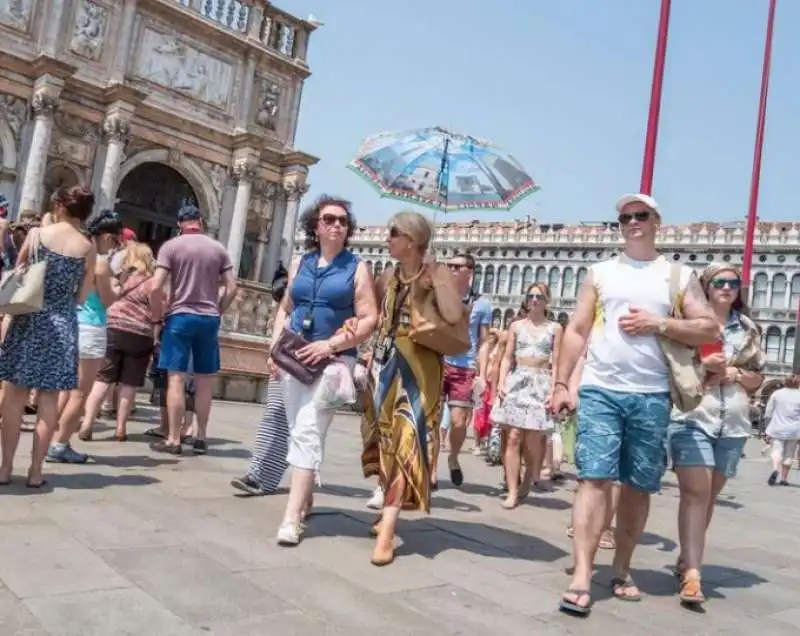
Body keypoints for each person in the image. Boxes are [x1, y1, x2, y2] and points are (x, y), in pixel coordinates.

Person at [550, 193, 718, 615]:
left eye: (641, 215)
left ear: (657, 221)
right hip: (601, 389)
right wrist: (560, 383)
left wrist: (659, 323)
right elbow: (577, 328)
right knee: (593, 478)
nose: (632, 222)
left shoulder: (678, 275)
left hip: (652, 395)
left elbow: (707, 326)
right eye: (624, 217)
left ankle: (621, 569)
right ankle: (583, 573)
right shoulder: (601, 272)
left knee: (639, 486)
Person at [271, 195, 377, 547]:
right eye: (329, 219)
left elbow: (369, 319)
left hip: (331, 363)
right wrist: (274, 347)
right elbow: (286, 308)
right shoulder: (301, 263)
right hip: (293, 358)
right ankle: (307, 497)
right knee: (296, 428)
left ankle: (290, 519)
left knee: (307, 431)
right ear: (315, 226)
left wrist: (330, 344)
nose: (336, 225)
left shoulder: (356, 268)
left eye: (343, 221)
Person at [361, 210, 463, 566]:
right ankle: (389, 509)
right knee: (388, 442)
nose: (387, 238)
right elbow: (378, 322)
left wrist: (436, 278)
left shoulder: (437, 274)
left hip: (421, 370)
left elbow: (452, 316)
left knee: (408, 440)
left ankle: (388, 530)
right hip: (388, 367)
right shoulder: (387, 275)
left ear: (413, 240)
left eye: (394, 232)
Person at [667, 263, 764, 605]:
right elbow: (674, 365)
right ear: (706, 288)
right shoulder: (691, 325)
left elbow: (757, 379)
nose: (726, 288)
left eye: (733, 283)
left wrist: (734, 372)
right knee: (696, 492)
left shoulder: (749, 329)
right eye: (719, 282)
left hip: (734, 424)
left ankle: (686, 558)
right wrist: (703, 367)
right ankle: (693, 574)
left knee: (707, 497)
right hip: (693, 415)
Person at [0, 186, 96, 488]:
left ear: (60, 206)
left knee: (14, 396)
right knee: (49, 399)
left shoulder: (37, 235)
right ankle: (36, 472)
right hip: (63, 324)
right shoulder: (87, 246)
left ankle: (4, 469)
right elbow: (81, 296)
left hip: (29, 319)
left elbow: (19, 274)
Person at [150, 204, 238, 455]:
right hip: (208, 318)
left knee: (176, 378)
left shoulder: (171, 247)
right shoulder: (218, 248)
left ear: (179, 224)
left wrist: (158, 315)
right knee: (204, 382)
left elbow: (155, 286)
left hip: (179, 316)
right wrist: (218, 309)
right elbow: (232, 287)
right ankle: (201, 437)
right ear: (200, 221)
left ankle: (174, 439)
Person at [48, 210, 121, 463]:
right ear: (108, 237)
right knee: (80, 393)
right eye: (115, 241)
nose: (114, 247)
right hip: (91, 327)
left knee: (63, 391)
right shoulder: (99, 262)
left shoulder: (77, 250)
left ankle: (47, 440)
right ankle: (60, 444)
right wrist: (119, 287)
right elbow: (108, 299)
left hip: (70, 323)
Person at [79, 242, 165, 441]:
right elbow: (155, 311)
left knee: (102, 379)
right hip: (139, 334)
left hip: (113, 328)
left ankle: (88, 422)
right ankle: (120, 429)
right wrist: (156, 324)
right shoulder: (152, 283)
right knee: (129, 383)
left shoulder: (120, 278)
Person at [495, 282, 562, 509]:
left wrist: (554, 389)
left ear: (547, 301)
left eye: (539, 297)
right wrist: (501, 382)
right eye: (530, 296)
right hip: (517, 381)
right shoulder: (516, 326)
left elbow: (557, 362)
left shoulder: (555, 328)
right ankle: (512, 490)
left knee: (533, 441)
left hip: (540, 382)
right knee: (513, 437)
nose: (534, 300)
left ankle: (526, 480)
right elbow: (507, 357)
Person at [441, 251, 491, 487]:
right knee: (430, 419)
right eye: (449, 265)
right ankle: (430, 468)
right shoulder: (439, 295)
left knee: (459, 421)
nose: (450, 269)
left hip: (465, 367)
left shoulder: (482, 304)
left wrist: (482, 372)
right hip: (438, 362)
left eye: (456, 266)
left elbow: (484, 342)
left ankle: (452, 457)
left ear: (469, 271)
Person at [764, 375, 800, 486]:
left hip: (777, 427)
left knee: (776, 450)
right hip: (795, 429)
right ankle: (784, 479)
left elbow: (768, 412)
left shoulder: (777, 394)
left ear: (785, 382)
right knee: (789, 453)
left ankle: (775, 469)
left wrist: (767, 428)